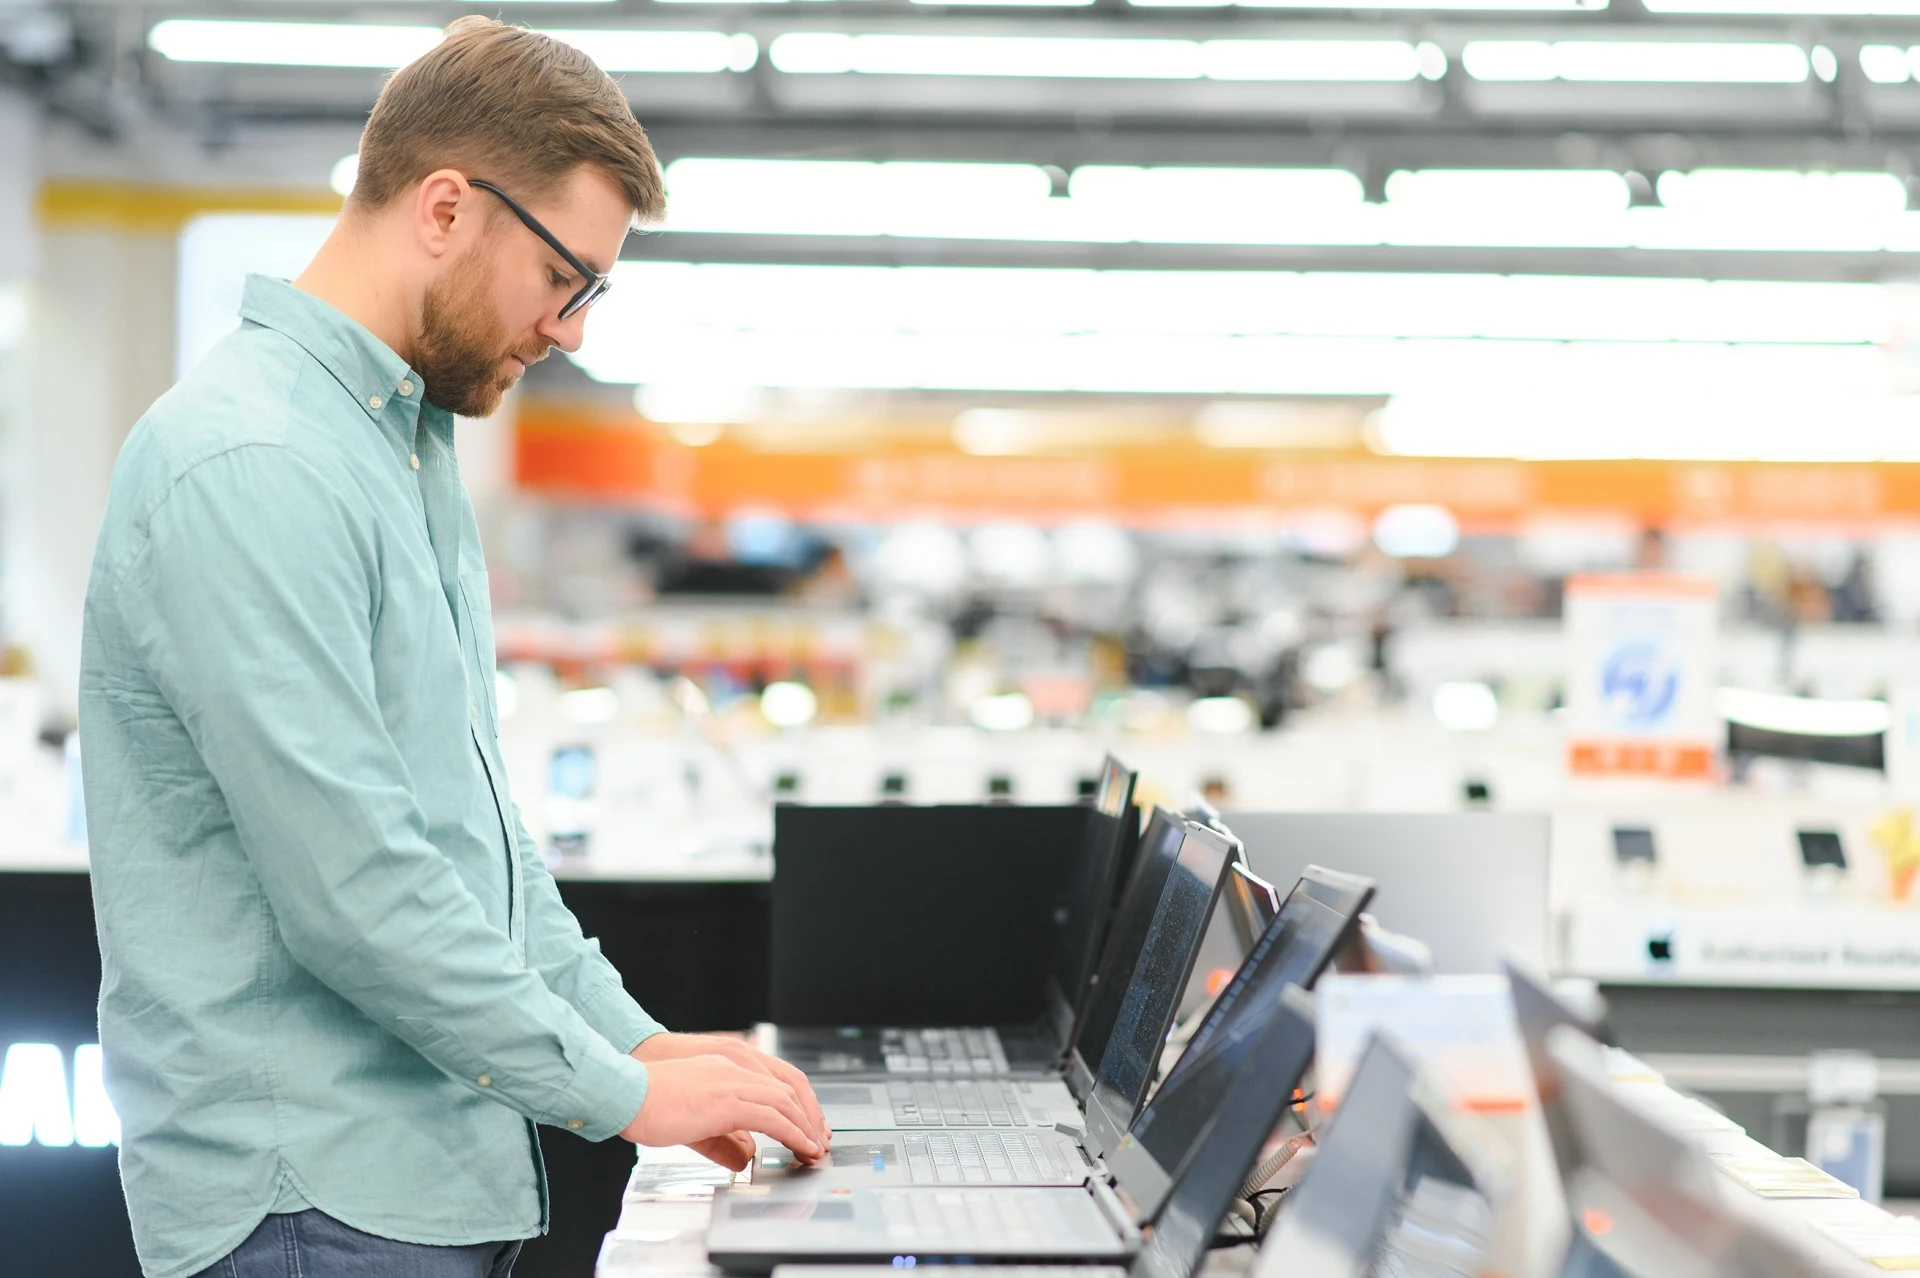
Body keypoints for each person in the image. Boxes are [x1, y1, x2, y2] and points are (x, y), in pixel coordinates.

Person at [79, 18, 829, 1278]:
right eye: (565, 278)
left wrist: (636, 1045)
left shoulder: (400, 449)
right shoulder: (252, 462)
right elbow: (356, 890)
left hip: (416, 1179)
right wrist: (620, 1096)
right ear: (444, 209)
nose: (574, 329)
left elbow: (467, 846)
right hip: (309, 1204)